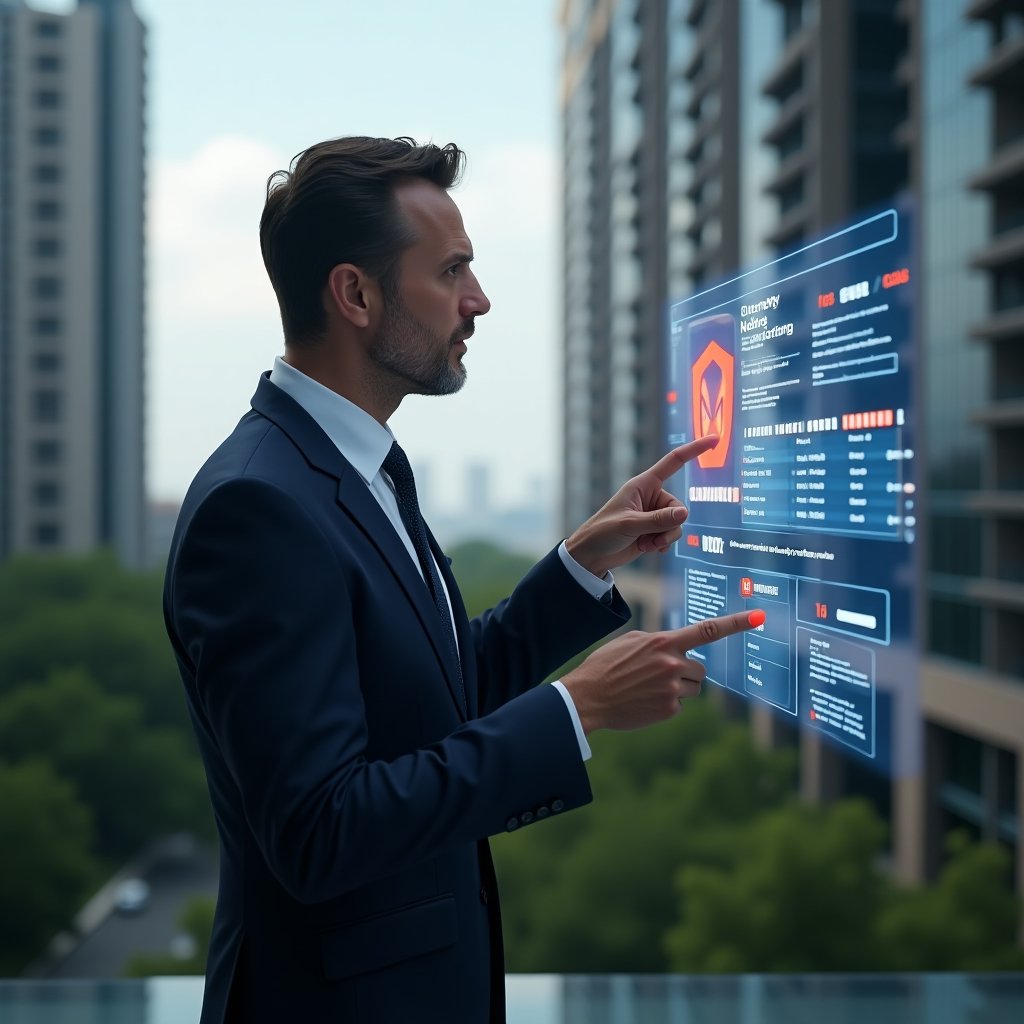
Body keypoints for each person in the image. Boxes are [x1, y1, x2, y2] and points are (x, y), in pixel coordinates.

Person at [163, 135, 761, 1024]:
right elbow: (321, 830)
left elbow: (429, 697)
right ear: (355, 294)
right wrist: (577, 709)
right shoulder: (259, 506)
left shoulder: (356, 467)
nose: (478, 301)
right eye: (452, 272)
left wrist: (578, 566)